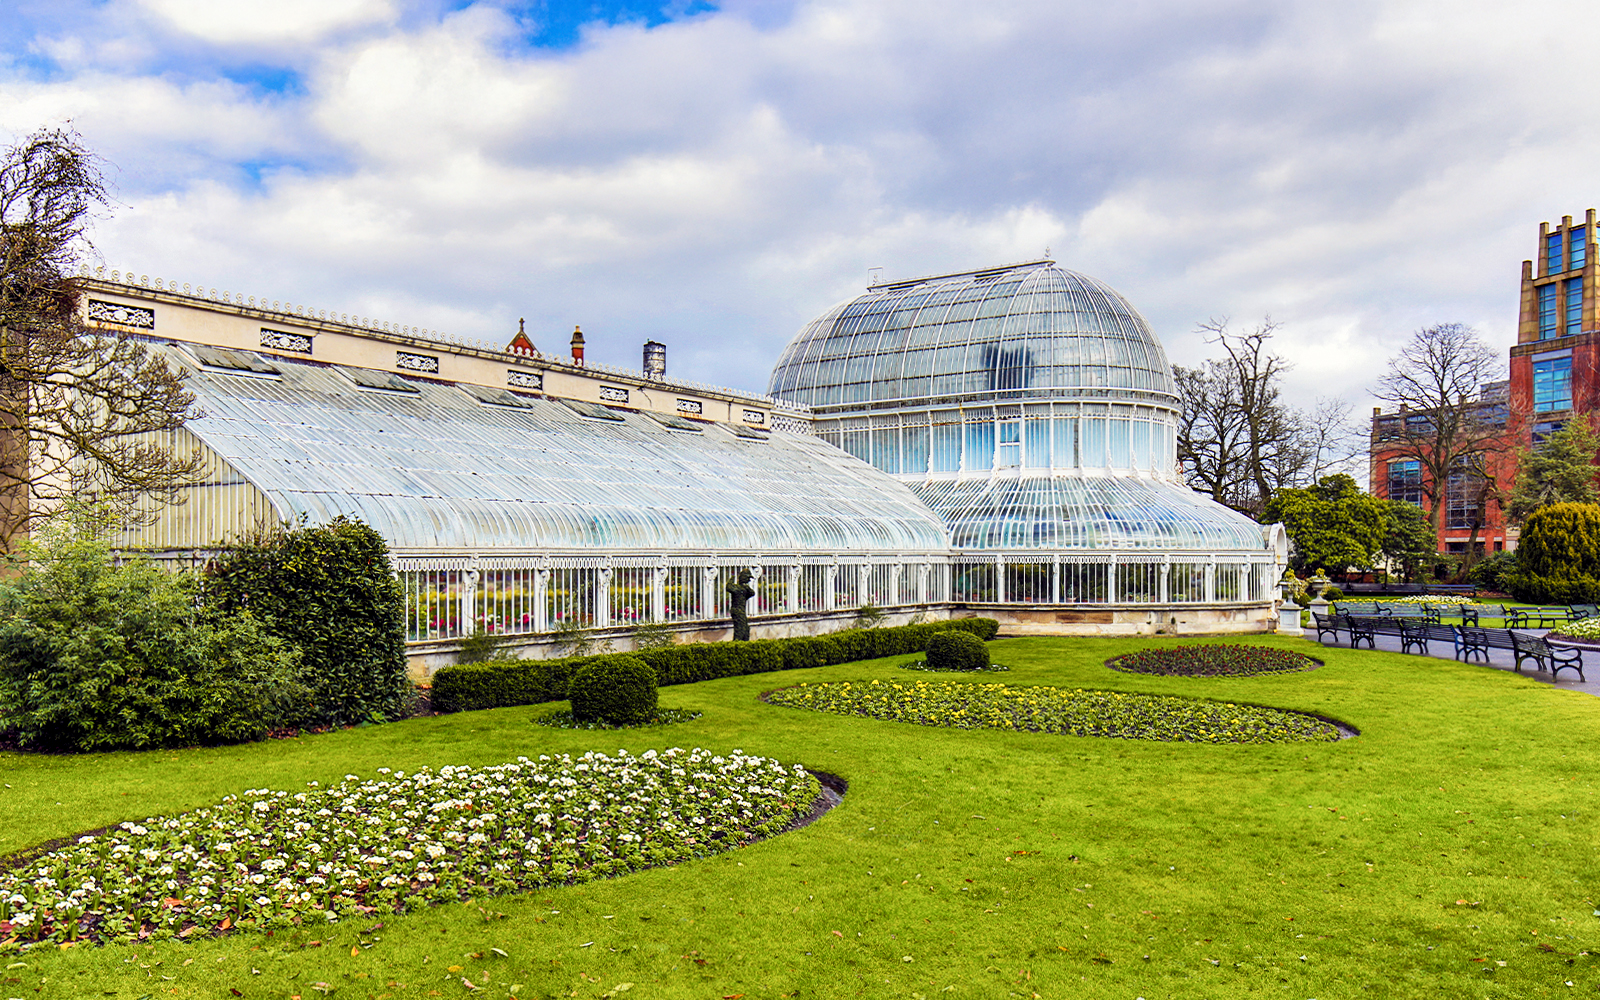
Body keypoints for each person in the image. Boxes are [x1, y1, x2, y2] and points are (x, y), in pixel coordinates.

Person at [727, 569, 755, 641]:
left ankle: (744, 644)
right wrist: (732, 578)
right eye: (747, 578)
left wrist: (746, 587)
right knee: (740, 630)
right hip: (737, 611)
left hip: (741, 611)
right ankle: (737, 645)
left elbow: (752, 593)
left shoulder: (744, 589)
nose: (749, 580)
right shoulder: (737, 588)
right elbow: (728, 587)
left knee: (745, 629)